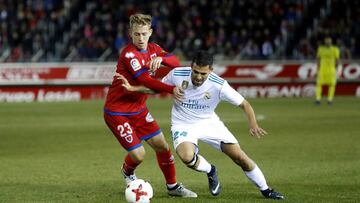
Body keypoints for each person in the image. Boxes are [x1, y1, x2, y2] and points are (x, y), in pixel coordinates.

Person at [117, 50, 285, 200]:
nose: (198, 77)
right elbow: (157, 89)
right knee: (186, 156)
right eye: (195, 72)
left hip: (209, 123)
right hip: (183, 124)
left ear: (211, 70)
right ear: (191, 66)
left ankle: (267, 190)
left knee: (240, 157)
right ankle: (211, 170)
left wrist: (253, 124)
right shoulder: (177, 74)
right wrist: (133, 88)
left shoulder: (219, 85)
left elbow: (245, 104)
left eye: (203, 74)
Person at [103, 13, 197, 198]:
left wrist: (162, 59)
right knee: (139, 155)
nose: (140, 38)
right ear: (130, 33)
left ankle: (173, 187)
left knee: (162, 146)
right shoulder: (129, 54)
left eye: (144, 34)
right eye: (137, 34)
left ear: (150, 32)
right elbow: (146, 80)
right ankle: (127, 172)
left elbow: (176, 62)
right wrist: (171, 89)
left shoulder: (154, 49)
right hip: (117, 112)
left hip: (139, 110)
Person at [315, 36, 340, 105]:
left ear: (331, 41)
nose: (328, 42)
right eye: (326, 40)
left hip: (331, 69)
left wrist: (336, 69)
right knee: (319, 84)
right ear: (324, 41)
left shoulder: (335, 49)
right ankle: (318, 99)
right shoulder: (320, 49)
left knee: (332, 84)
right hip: (322, 69)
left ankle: (330, 100)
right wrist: (317, 68)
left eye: (329, 40)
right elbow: (318, 59)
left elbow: (337, 60)